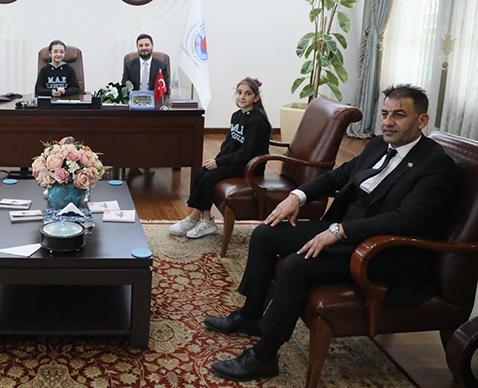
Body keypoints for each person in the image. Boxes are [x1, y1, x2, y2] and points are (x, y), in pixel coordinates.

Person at [206, 84, 458, 382]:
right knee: (265, 233)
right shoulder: (379, 144)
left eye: (399, 115)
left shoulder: (436, 166)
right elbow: (339, 175)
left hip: (382, 251)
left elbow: (405, 220)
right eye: (385, 114)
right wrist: (297, 196)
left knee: (297, 264)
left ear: (422, 120)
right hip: (346, 229)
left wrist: (340, 230)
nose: (388, 122)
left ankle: (264, 357)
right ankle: (250, 315)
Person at [170, 77, 271, 238]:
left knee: (210, 177)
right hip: (237, 160)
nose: (242, 97)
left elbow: (247, 153)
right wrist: (216, 160)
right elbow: (230, 144)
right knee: (201, 172)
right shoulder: (237, 115)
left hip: (251, 165)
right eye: (239, 92)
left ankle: (194, 217)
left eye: (247, 94)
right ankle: (206, 220)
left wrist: (220, 163)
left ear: (256, 98)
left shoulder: (257, 121)